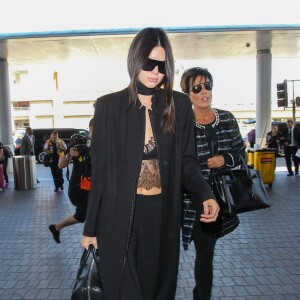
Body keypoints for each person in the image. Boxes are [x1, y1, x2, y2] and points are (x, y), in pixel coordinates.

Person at [80, 27, 220, 300]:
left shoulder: (178, 104)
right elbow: (101, 172)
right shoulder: (108, 107)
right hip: (117, 217)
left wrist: (205, 194)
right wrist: (90, 230)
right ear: (135, 60)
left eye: (161, 65)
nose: (155, 72)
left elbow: (187, 160)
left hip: (162, 216)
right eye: (149, 63)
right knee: (123, 290)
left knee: (157, 290)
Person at [180, 67, 245, 300]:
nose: (204, 91)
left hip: (223, 196)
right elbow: (180, 163)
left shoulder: (227, 118)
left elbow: (240, 153)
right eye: (197, 88)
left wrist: (225, 159)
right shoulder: (182, 124)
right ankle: (202, 296)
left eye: (208, 85)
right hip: (194, 200)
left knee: (209, 249)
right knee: (205, 251)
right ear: (188, 93)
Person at [49, 118, 93, 243]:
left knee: (80, 216)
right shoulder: (79, 143)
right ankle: (91, 243)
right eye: (92, 130)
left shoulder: (103, 143)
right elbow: (60, 165)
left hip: (90, 190)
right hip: (78, 190)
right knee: (95, 215)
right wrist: (69, 155)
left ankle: (56, 228)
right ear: (90, 128)